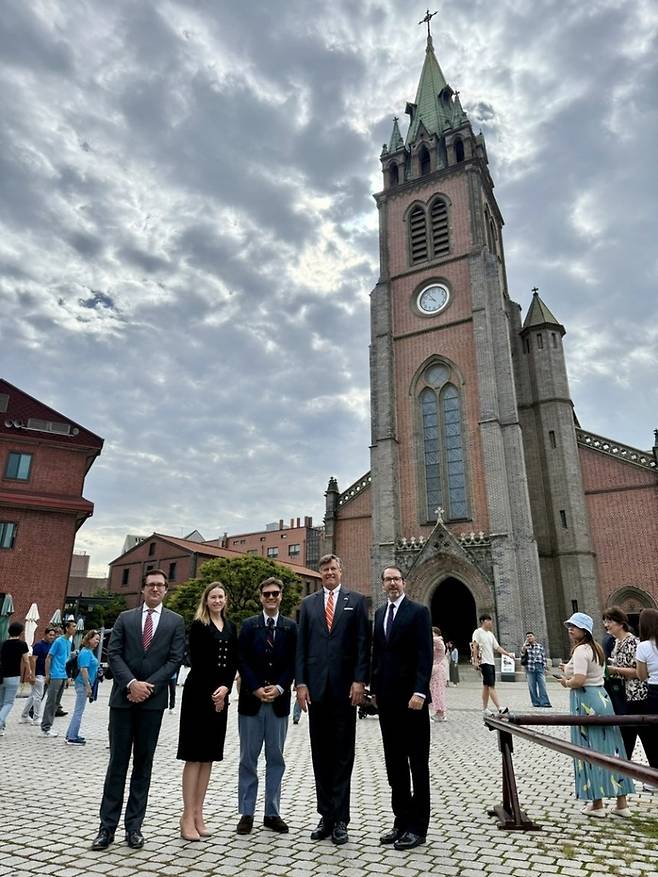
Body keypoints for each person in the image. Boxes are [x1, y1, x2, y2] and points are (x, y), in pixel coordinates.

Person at [91, 569, 185, 851]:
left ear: (166, 590)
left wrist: (147, 686)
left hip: (151, 704)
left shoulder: (175, 622)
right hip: (122, 700)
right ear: (142, 589)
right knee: (117, 765)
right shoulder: (125, 618)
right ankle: (106, 829)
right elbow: (114, 653)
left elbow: (174, 659)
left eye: (160, 585)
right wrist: (131, 683)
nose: (155, 589)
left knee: (143, 766)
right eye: (151, 585)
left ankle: (134, 828)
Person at [295, 553, 370, 846]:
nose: (329, 572)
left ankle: (341, 819)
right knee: (320, 755)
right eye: (324, 569)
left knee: (341, 755)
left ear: (341, 570)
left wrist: (359, 680)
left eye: (333, 568)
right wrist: (300, 683)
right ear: (320, 572)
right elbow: (301, 647)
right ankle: (325, 815)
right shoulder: (308, 605)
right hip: (315, 690)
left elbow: (364, 643)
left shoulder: (356, 601)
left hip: (344, 690)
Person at [371, 567, 433, 851]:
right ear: (383, 584)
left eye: (396, 579)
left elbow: (424, 654)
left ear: (403, 583)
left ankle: (418, 827)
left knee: (417, 764)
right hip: (388, 701)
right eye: (388, 580)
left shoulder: (418, 612)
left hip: (413, 700)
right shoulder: (380, 614)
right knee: (394, 764)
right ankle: (400, 821)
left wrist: (420, 690)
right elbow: (379, 656)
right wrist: (374, 690)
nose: (392, 583)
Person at [177, 581, 237, 841]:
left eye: (221, 596)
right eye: (213, 597)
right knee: (194, 755)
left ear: (225, 600)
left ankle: (199, 812)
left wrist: (225, 689)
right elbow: (199, 662)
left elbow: (232, 662)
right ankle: (187, 815)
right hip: (199, 696)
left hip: (220, 697)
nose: (217, 600)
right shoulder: (199, 626)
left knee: (209, 756)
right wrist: (215, 692)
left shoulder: (232, 626)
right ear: (206, 600)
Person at [236, 577, 297, 835]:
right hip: (252, 701)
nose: (271, 598)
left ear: (281, 596)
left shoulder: (290, 627)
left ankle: (272, 812)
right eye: (266, 594)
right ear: (260, 597)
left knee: (276, 759)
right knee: (248, 759)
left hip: (279, 703)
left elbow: (295, 661)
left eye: (275, 594)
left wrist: (281, 687)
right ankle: (246, 812)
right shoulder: (249, 626)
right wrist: (255, 687)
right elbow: (242, 659)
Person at [559, 612, 634, 817]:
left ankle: (597, 804)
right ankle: (621, 804)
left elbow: (579, 680)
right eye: (570, 625)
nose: (570, 629)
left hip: (586, 701)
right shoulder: (596, 649)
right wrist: (568, 669)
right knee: (613, 749)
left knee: (588, 750)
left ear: (585, 630)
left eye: (574, 626)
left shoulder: (581, 650)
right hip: (602, 698)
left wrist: (566, 682)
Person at [604, 606, 648, 761]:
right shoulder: (616, 643)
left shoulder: (632, 642)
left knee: (643, 737)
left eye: (610, 621)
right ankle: (623, 773)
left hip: (636, 696)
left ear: (621, 623)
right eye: (605, 621)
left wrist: (615, 670)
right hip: (623, 696)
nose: (606, 625)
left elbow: (639, 672)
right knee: (625, 737)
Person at [634, 608, 658, 792]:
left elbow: (641, 676)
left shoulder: (643, 647)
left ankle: (655, 777)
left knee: (654, 736)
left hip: (654, 692)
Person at [40, 619, 77, 737]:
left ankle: (48, 726)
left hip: (63, 675)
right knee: (51, 702)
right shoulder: (58, 641)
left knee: (56, 703)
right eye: (73, 626)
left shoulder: (69, 642)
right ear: (67, 628)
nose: (75, 629)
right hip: (55, 675)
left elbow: (66, 661)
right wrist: (47, 674)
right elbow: (48, 657)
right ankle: (45, 727)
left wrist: (67, 676)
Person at [470, 614, 513, 715]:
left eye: (491, 620)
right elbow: (475, 646)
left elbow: (497, 647)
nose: (490, 622)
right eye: (488, 620)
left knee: (486, 686)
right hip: (484, 662)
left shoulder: (490, 634)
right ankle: (499, 708)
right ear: (482, 622)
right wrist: (476, 661)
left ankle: (485, 709)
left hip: (491, 662)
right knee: (491, 685)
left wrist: (508, 654)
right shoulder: (477, 632)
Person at [65, 629, 101, 745]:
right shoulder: (85, 653)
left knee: (78, 710)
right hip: (82, 684)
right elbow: (84, 670)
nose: (98, 642)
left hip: (83, 684)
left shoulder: (88, 652)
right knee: (79, 711)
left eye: (99, 640)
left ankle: (70, 733)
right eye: (96, 639)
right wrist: (88, 686)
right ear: (89, 639)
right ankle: (72, 737)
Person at [0, 622, 33, 735]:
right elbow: (26, 660)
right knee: (8, 702)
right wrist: (29, 671)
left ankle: (1, 728)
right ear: (21, 632)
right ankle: (0, 722)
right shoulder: (22, 644)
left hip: (1, 675)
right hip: (13, 676)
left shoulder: (3, 644)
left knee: (1, 702)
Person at [20, 626, 56, 725]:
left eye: (53, 635)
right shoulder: (39, 645)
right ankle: (36, 718)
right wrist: (33, 674)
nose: (52, 637)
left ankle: (24, 716)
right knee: (38, 697)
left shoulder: (51, 645)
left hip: (45, 673)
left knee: (33, 696)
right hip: (39, 673)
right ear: (45, 634)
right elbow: (33, 660)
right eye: (50, 635)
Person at [520, 632, 552, 708]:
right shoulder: (525, 647)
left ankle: (545, 702)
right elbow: (522, 655)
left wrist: (545, 667)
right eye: (527, 637)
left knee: (542, 685)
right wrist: (524, 648)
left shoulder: (540, 646)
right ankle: (535, 702)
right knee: (532, 686)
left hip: (539, 667)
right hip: (530, 668)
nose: (529, 638)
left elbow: (543, 657)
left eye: (530, 636)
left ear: (534, 637)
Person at [429, 627, 448, 721]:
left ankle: (440, 713)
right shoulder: (437, 642)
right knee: (435, 690)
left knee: (437, 691)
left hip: (438, 669)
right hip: (435, 669)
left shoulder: (438, 641)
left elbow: (434, 640)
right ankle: (439, 712)